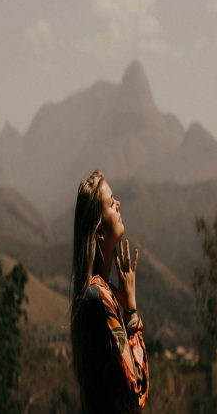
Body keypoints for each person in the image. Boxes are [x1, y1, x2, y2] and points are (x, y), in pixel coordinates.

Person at [70, 170, 149, 413]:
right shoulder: (98, 298)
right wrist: (132, 312)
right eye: (111, 201)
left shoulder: (99, 294)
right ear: (100, 232)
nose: (119, 203)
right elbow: (136, 394)